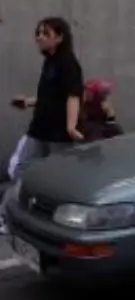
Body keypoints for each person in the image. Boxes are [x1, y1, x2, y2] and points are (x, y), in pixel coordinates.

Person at [3, 18, 85, 234]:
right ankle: (9, 216)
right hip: (39, 129)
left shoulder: (68, 64)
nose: (39, 37)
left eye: (45, 33)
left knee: (61, 180)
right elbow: (50, 96)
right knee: (21, 168)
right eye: (38, 33)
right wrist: (28, 102)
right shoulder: (50, 62)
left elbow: (73, 96)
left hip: (58, 134)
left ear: (59, 37)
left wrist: (71, 126)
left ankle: (60, 221)